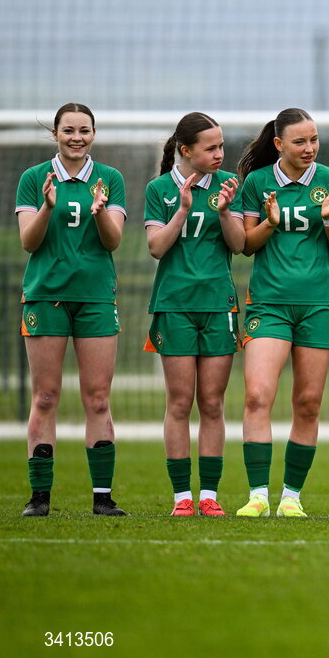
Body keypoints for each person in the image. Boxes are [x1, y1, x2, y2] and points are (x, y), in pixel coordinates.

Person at [234, 108, 329, 518]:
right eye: (300, 141)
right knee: (257, 395)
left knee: (308, 402)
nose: (309, 148)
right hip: (269, 303)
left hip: (319, 304)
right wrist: (270, 222)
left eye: (314, 140)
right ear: (279, 144)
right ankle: (257, 496)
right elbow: (247, 244)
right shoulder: (258, 183)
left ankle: (291, 498)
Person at [16, 103, 127, 517]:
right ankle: (39, 498)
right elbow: (29, 242)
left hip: (96, 297)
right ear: (56, 134)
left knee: (97, 398)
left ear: (93, 134)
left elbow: (113, 241)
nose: (76, 137)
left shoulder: (110, 178)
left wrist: (100, 214)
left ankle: (103, 498)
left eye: (84, 130)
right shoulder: (34, 179)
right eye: (68, 130)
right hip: (46, 297)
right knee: (45, 396)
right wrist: (47, 206)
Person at [144, 112, 245, 516]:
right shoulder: (158, 189)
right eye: (211, 148)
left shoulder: (228, 186)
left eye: (221, 146)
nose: (220, 154)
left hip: (219, 304)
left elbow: (238, 245)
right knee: (180, 403)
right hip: (174, 306)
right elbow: (156, 247)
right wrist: (183, 209)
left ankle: (210, 496)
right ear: (185, 151)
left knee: (213, 403)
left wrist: (223, 211)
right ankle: (182, 497)